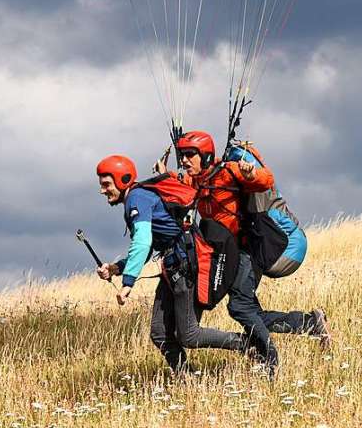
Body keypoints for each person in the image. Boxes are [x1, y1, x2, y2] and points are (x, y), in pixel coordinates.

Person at [171, 131, 331, 375]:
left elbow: (265, 181)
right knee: (245, 308)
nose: (184, 160)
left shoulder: (228, 170)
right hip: (235, 251)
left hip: (249, 249)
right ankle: (309, 323)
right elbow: (182, 188)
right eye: (182, 155)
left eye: (189, 155)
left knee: (240, 307)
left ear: (205, 156)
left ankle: (270, 360)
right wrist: (166, 174)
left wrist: (251, 173)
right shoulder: (200, 180)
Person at [95, 154, 250, 375]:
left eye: (106, 184)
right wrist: (117, 268)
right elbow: (150, 245)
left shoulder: (136, 198)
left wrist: (128, 282)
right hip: (174, 265)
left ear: (122, 179)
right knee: (160, 333)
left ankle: (249, 345)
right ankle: (188, 380)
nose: (102, 190)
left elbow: (142, 240)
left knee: (189, 335)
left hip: (183, 265)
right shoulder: (138, 197)